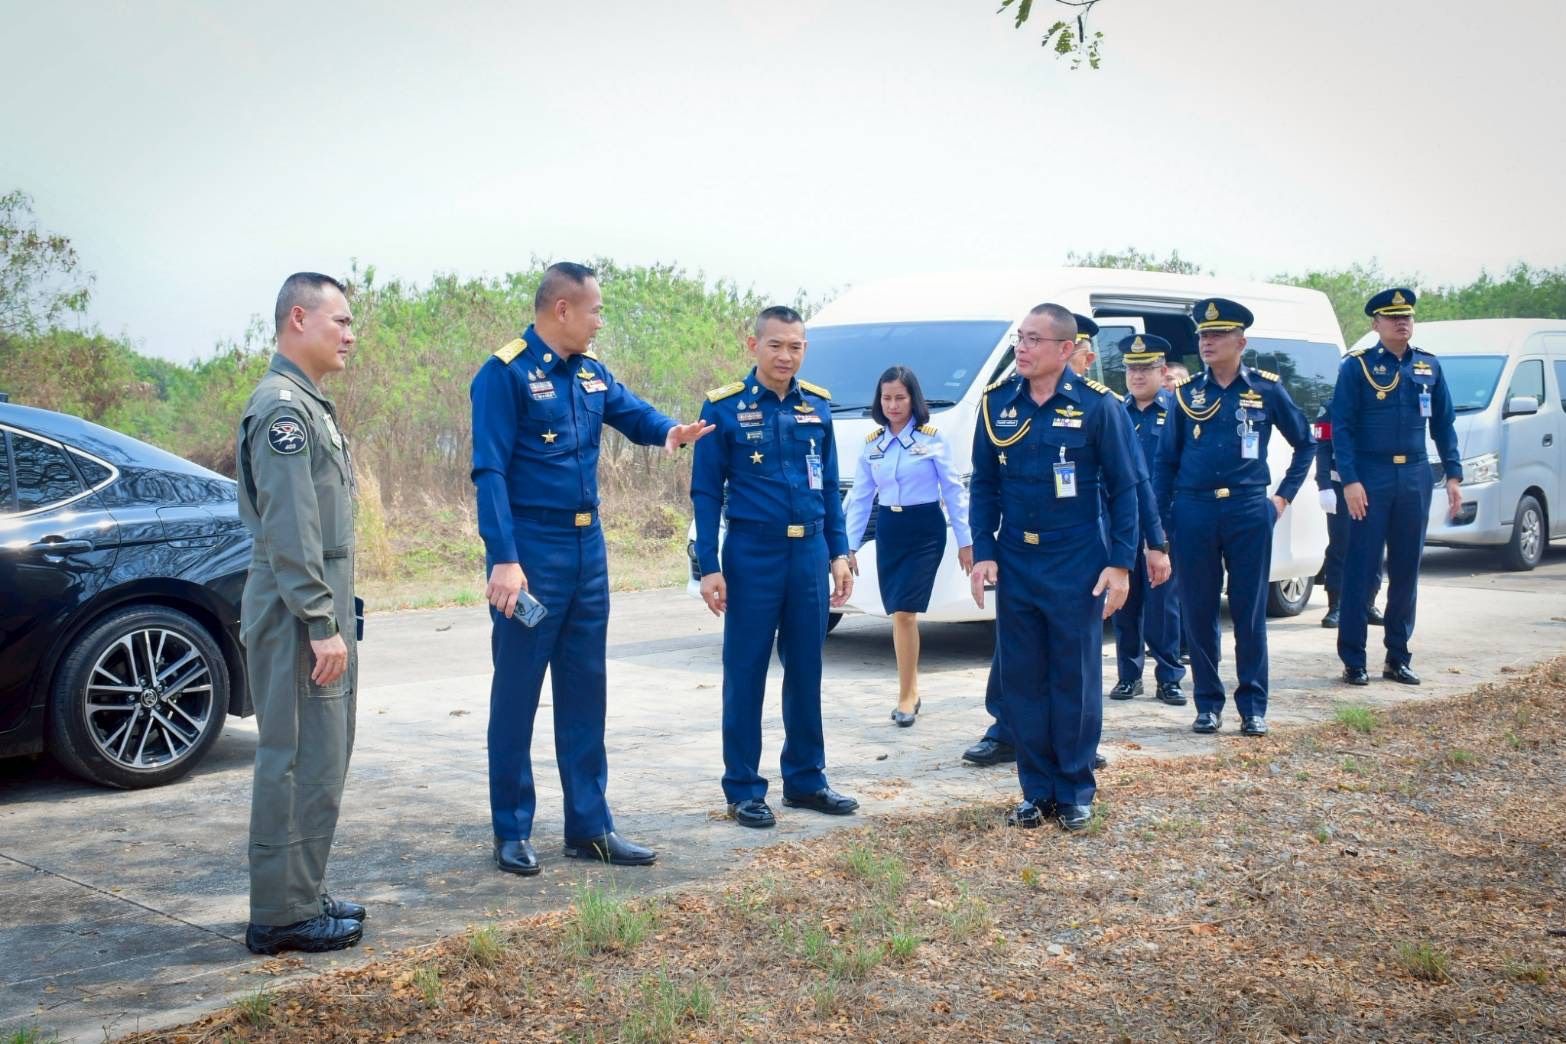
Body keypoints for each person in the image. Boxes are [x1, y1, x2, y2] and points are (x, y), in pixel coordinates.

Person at [471, 262, 713, 876]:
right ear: (562, 310)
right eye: (595, 310)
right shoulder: (505, 374)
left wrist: (672, 432)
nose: (600, 321)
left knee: (586, 689)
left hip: (588, 548)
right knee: (517, 692)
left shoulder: (590, 372)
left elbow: (632, 414)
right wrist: (504, 559)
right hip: (532, 552)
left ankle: (589, 826)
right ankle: (511, 830)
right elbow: (489, 471)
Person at [969, 303, 1139, 832]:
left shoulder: (1098, 406)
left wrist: (1121, 564)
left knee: (1074, 676)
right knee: (1022, 679)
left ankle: (1074, 789)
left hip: (1075, 560)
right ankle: (1035, 791)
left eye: (1034, 340)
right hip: (1017, 558)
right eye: (1020, 338)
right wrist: (983, 549)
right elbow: (984, 483)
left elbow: (1125, 487)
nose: (1022, 348)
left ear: (1066, 350)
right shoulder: (997, 404)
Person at [238, 272, 366, 955]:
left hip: (316, 597)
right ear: (298, 319)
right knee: (292, 756)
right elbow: (291, 530)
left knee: (323, 751)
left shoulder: (310, 405)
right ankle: (279, 914)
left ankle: (302, 890)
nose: (349, 335)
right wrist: (320, 621)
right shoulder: (283, 410)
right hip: (296, 608)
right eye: (339, 321)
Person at [693, 306, 858, 829]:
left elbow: (828, 488)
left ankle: (806, 780)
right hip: (752, 555)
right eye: (776, 345)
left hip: (808, 554)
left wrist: (839, 553)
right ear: (754, 346)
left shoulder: (819, 407)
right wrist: (709, 565)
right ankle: (743, 789)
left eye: (796, 346)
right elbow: (705, 492)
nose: (786, 356)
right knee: (745, 672)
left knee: (806, 669)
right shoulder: (723, 408)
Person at [1154, 298, 1314, 737]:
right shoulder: (1186, 394)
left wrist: (1281, 498)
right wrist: (1162, 522)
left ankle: (1253, 706)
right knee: (1199, 610)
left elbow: (1305, 443)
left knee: (1249, 610)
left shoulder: (1266, 389)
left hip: (1247, 508)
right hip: (1194, 510)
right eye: (1203, 336)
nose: (1207, 342)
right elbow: (1165, 462)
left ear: (1241, 342)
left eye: (1217, 335)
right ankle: (1208, 704)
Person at [1330, 288, 1462, 686]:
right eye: (1392, 317)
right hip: (1371, 475)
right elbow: (1342, 427)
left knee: (1406, 570)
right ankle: (1354, 659)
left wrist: (1453, 475)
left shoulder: (1428, 365)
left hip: (1415, 475)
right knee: (1362, 568)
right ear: (1376, 324)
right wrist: (1350, 480)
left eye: (1406, 316)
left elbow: (1443, 424)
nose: (1401, 322)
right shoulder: (1358, 367)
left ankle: (1398, 656)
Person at [843, 366, 972, 726]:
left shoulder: (933, 438)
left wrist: (966, 541)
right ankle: (910, 688)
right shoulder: (873, 444)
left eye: (900, 397)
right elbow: (861, 498)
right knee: (897, 611)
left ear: (913, 399)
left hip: (925, 529)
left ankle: (906, 694)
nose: (893, 405)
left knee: (904, 611)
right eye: (886, 398)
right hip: (891, 529)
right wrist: (848, 546)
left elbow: (954, 491)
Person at [1109, 335, 1185, 705]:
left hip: (1165, 522)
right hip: (1124, 522)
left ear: (1162, 370)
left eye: (1145, 368)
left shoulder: (1177, 411)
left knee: (1163, 606)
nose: (1137, 376)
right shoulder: (1115, 412)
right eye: (1131, 369)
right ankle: (1129, 675)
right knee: (1125, 602)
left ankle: (1169, 677)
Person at [1313, 403, 1384, 628]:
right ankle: (1336, 604)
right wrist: (1324, 485)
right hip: (1340, 485)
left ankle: (1368, 602)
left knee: (1374, 545)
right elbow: (1322, 448)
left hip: (1375, 483)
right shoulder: (1332, 407)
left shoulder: (1378, 403)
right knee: (1341, 544)